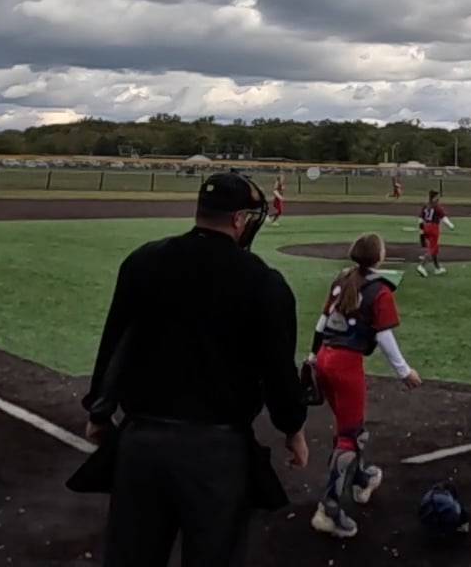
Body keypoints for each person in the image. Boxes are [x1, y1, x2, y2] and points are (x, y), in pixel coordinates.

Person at [83, 172, 309, 565]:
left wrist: (99, 413)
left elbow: (116, 344)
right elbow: (277, 369)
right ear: (239, 219)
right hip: (216, 453)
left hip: (141, 443)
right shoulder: (263, 282)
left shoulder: (143, 261)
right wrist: (293, 428)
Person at [308, 232, 423, 539]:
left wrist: (313, 355)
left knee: (349, 428)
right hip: (345, 366)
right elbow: (384, 336)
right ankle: (329, 509)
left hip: (324, 357)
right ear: (378, 257)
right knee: (350, 436)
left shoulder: (343, 279)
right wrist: (404, 371)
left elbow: (321, 323)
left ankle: (362, 478)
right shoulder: (379, 290)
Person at [416, 190, 456, 276]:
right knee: (432, 248)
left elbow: (420, 219)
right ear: (434, 197)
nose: (438, 198)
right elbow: (443, 218)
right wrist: (451, 226)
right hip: (434, 228)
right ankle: (422, 266)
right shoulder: (437, 207)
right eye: (437, 197)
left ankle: (437, 268)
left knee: (434, 248)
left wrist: (422, 229)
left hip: (426, 226)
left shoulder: (426, 206)